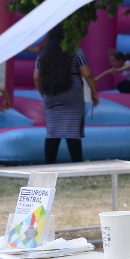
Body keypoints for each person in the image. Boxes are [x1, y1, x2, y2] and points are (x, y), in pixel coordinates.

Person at [34, 25, 100, 164]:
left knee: (52, 131)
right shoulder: (76, 51)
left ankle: (49, 164)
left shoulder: (43, 54)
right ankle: (76, 163)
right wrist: (94, 93)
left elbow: (36, 77)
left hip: (51, 94)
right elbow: (87, 74)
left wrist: (43, 94)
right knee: (72, 130)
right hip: (72, 95)